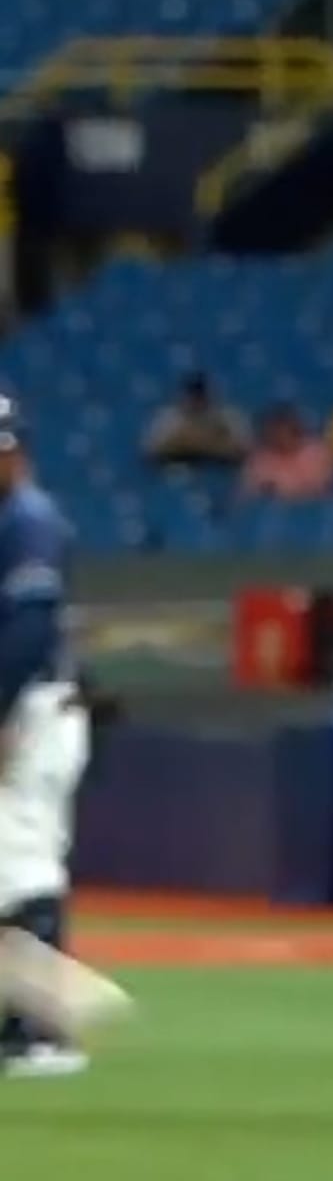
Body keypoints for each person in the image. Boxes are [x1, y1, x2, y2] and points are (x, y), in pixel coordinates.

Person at [0, 402, 93, 1080]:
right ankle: (24, 1018)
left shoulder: (30, 520)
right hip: (23, 706)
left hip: (34, 709)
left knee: (26, 856)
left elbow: (30, 633)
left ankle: (49, 1031)